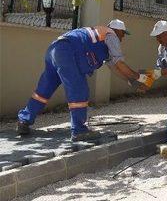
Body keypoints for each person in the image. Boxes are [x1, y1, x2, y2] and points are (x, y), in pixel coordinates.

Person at [16, 19, 151, 141]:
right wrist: (140, 78)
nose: (122, 38)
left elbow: (114, 68)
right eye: (123, 34)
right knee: (79, 90)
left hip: (54, 50)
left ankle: (24, 120)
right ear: (118, 31)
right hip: (67, 52)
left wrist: (131, 81)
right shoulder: (111, 35)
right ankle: (79, 130)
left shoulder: (99, 36)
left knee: (44, 90)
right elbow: (120, 64)